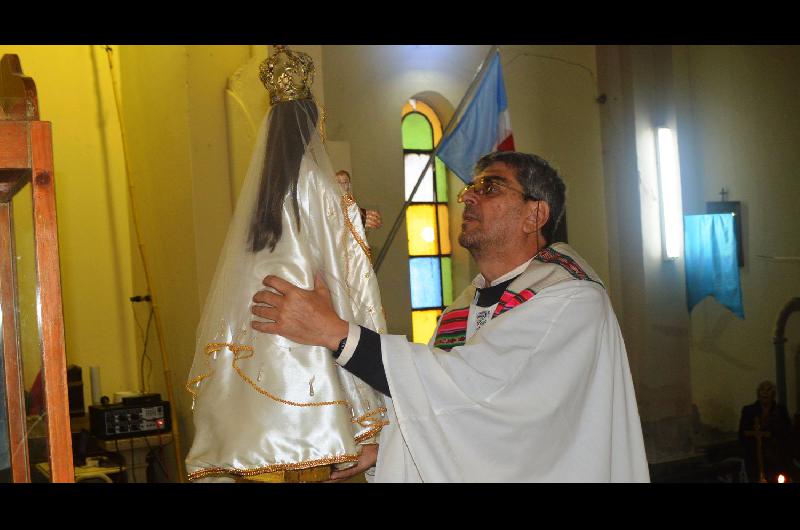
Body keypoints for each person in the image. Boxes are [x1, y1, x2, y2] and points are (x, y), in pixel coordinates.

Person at [251, 151, 650, 482]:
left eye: (490, 187)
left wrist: (333, 332)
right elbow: (455, 411)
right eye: (470, 188)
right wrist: (385, 442)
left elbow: (474, 391)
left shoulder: (570, 297)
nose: (468, 197)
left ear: (535, 215)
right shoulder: (465, 305)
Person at [184, 46, 387, 483]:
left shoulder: (260, 194)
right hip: (306, 374)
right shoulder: (317, 182)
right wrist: (353, 217)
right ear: (313, 125)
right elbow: (341, 274)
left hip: (258, 371)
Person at [738, 380, 792, 482]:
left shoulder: (780, 411)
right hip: (755, 459)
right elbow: (743, 434)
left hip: (776, 459)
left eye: (768, 390)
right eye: (762, 390)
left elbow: (787, 435)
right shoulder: (749, 411)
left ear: (774, 393)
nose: (765, 393)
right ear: (758, 393)